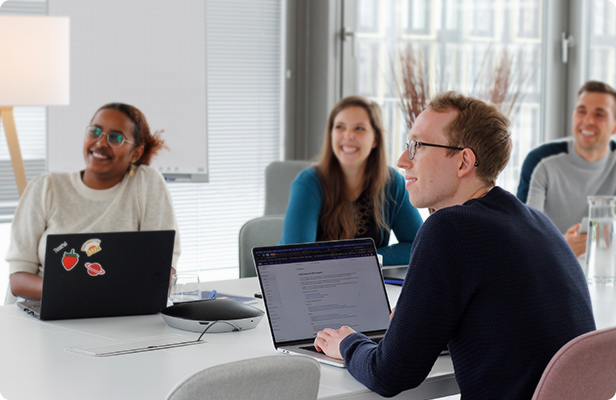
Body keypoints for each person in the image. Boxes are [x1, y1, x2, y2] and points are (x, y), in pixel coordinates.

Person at [313, 92, 595, 399]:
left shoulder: (448, 228)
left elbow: (389, 375)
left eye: (417, 146)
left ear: (463, 161)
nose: (402, 160)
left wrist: (348, 342)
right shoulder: (537, 223)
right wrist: (416, 320)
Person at [6, 103, 181, 301]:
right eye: (95, 131)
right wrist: (82, 293)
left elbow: (161, 271)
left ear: (136, 153)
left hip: (121, 315)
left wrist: (94, 294)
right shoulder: (45, 187)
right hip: (49, 312)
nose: (100, 143)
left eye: (115, 137)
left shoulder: (146, 183)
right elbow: (18, 280)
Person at [280, 96, 423, 266]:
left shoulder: (392, 183)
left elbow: (418, 247)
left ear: (375, 139)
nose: (348, 135)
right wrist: (365, 259)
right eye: (340, 127)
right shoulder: (309, 183)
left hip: (364, 285)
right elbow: (298, 258)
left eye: (359, 128)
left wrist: (362, 259)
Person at [517, 81, 616, 256]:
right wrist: (562, 248)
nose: (588, 120)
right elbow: (523, 238)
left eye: (599, 114)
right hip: (550, 272)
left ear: (614, 126)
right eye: (581, 111)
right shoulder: (541, 161)